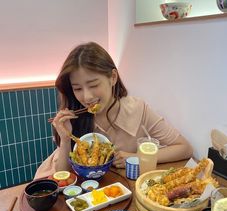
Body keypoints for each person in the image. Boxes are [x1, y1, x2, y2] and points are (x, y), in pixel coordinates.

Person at [34, 42, 193, 179]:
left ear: (113, 77)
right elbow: (63, 175)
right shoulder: (74, 116)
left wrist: (136, 158)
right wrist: (65, 137)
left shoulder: (138, 109)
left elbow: (184, 148)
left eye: (94, 85)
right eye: (77, 88)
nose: (87, 97)